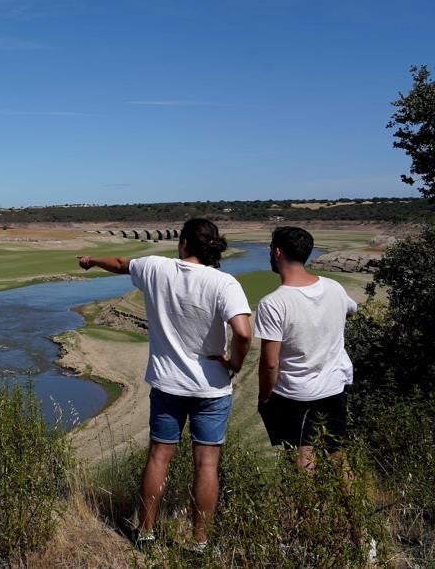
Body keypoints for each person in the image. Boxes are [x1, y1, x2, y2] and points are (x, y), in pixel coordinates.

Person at [77, 218, 252, 550]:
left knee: (159, 456)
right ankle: (199, 542)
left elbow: (118, 264)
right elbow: (243, 332)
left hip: (167, 384)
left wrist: (91, 261)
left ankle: (144, 533)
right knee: (207, 463)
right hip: (212, 388)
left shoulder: (156, 268)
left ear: (183, 243)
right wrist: (234, 363)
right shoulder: (225, 283)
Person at [255, 226, 357, 470]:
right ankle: (350, 507)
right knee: (338, 454)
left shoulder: (273, 303)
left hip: (295, 394)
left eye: (270, 249)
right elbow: (351, 310)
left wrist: (264, 396)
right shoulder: (334, 287)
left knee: (303, 459)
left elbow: (270, 362)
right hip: (334, 387)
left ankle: (308, 509)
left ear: (277, 252)